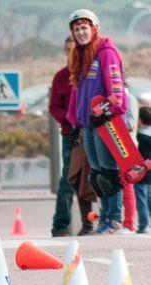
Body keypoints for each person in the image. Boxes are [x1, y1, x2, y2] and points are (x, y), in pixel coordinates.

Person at [66, 9, 130, 235]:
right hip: (89, 125)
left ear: (94, 28)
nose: (81, 32)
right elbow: (78, 93)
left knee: (109, 172)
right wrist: (74, 122)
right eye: (76, 29)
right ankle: (104, 218)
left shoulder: (106, 52)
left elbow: (117, 92)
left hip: (107, 123)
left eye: (84, 27)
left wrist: (104, 110)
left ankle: (114, 220)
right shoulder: (82, 55)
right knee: (97, 175)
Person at [49, 36, 93, 237]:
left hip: (91, 132)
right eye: (67, 50)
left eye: (73, 49)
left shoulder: (89, 73)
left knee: (91, 179)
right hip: (70, 135)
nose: (70, 53)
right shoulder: (60, 77)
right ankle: (60, 226)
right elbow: (54, 107)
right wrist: (68, 121)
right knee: (68, 180)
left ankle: (89, 223)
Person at [122, 89, 139, 232]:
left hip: (127, 148)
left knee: (127, 186)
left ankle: (129, 223)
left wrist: (110, 121)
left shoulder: (129, 99)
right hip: (114, 145)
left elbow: (130, 124)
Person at [135, 106, 151, 233]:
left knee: (141, 199)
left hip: (142, 172)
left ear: (139, 120)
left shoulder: (140, 136)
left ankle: (144, 225)